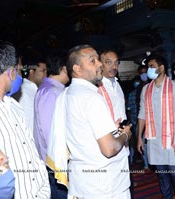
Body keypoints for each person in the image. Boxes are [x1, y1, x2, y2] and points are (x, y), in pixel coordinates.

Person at [46, 44, 132, 198]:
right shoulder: (91, 97)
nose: (99, 64)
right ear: (77, 69)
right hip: (106, 185)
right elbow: (109, 149)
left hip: (83, 181)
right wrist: (125, 135)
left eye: (98, 60)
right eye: (93, 61)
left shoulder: (66, 94)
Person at [0, 40, 50, 198]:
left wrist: (43, 190)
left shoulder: (13, 106)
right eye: (20, 71)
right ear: (11, 72)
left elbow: (31, 153)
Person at [137, 54, 175, 199]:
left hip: (172, 140)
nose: (149, 70)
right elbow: (142, 114)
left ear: (161, 68)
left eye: (152, 66)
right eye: (148, 67)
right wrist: (140, 138)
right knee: (163, 177)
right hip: (154, 141)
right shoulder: (146, 89)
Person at [34, 53, 69, 199]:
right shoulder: (51, 92)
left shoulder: (52, 89)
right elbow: (49, 131)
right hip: (55, 163)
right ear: (64, 68)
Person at [13, 55, 47, 133]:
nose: (46, 75)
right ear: (31, 71)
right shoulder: (23, 91)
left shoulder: (37, 91)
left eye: (46, 71)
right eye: (43, 71)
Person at [99, 49, 127, 122]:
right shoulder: (96, 87)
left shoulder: (117, 84)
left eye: (116, 62)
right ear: (100, 64)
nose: (114, 67)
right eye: (108, 62)